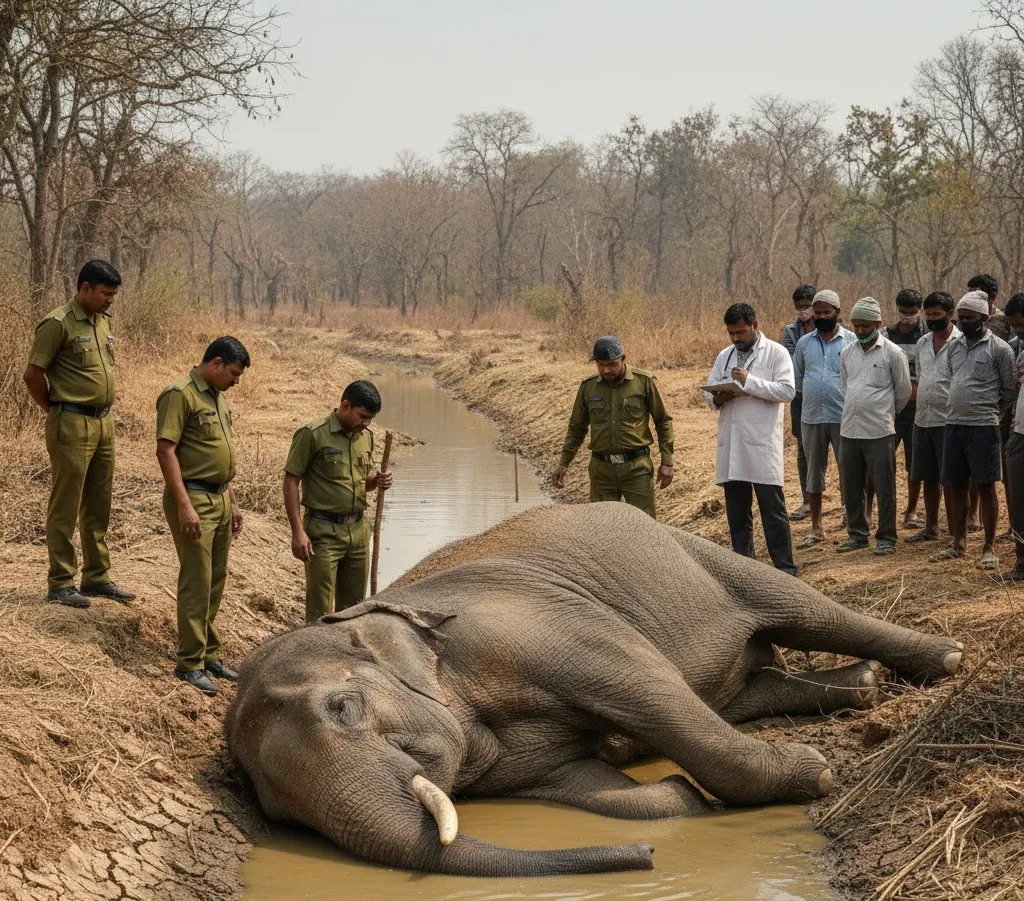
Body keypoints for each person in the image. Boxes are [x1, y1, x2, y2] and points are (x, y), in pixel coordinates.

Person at [22, 260, 136, 609]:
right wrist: (57, 411)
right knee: (66, 505)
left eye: (113, 295)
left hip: (103, 424)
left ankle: (96, 577)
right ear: (85, 288)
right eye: (105, 293)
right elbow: (32, 375)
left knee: (98, 504)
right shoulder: (57, 323)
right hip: (71, 423)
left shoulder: (101, 323)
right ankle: (60, 582)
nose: (109, 301)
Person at [156, 337, 250, 696]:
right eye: (234, 373)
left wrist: (234, 501)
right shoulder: (179, 394)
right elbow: (166, 451)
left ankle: (209, 653)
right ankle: (189, 663)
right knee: (196, 581)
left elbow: (219, 456)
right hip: (194, 498)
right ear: (216, 363)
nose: (236, 381)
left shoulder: (216, 395)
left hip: (220, 498)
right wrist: (183, 505)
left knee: (215, 580)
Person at [284, 380, 393, 623]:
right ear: (345, 405)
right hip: (323, 535)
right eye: (363, 416)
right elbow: (291, 481)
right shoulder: (312, 434)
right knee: (320, 613)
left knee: (354, 610)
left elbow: (360, 483)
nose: (366, 424)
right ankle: (317, 658)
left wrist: (378, 481)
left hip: (358, 533)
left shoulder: (365, 437)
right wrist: (297, 532)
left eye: (370, 419)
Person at [705, 303, 797, 574]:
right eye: (731, 333)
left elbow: (787, 390)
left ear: (755, 325)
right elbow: (709, 394)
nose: (736, 338)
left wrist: (749, 381)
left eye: (741, 332)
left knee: (772, 511)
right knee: (737, 513)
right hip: (732, 444)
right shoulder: (725, 355)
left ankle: (785, 569)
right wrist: (717, 397)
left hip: (761, 443)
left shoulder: (777, 353)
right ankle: (745, 569)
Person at [934, 291, 1015, 570]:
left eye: (970, 318)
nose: (964, 322)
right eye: (961, 317)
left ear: (985, 318)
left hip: (984, 427)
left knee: (985, 486)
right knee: (956, 485)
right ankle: (958, 543)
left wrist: (991, 413)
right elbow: (952, 379)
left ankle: (989, 547)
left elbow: (1008, 391)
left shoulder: (1000, 350)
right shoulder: (954, 348)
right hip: (954, 424)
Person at [553, 336, 674, 517]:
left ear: (623, 358)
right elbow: (577, 428)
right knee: (602, 529)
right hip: (601, 472)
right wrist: (564, 462)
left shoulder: (644, 382)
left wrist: (667, 461)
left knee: (644, 527)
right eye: (601, 365)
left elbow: (663, 421)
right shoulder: (588, 387)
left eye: (612, 364)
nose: (606, 370)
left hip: (637, 469)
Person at [838, 297, 912, 555]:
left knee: (884, 485)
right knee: (851, 484)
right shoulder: (847, 352)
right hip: (849, 429)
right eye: (856, 326)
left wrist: (884, 413)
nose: (859, 331)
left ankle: (887, 537)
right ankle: (857, 534)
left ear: (878, 324)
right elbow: (847, 387)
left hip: (880, 429)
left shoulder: (893, 353)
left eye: (865, 326)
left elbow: (903, 392)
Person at [792, 289, 856, 547]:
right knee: (813, 474)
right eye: (817, 313)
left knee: (848, 471)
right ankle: (816, 527)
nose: (820, 317)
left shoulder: (851, 341)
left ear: (837, 313)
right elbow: (797, 379)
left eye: (826, 313)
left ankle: (851, 522)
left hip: (843, 416)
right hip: (812, 416)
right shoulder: (804, 343)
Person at [907, 292, 959, 544]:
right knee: (928, 476)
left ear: (950, 314)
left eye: (936, 315)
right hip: (923, 418)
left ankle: (953, 532)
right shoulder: (923, 342)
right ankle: (931, 528)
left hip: (948, 420)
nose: (931, 319)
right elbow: (920, 376)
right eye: (928, 315)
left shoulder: (961, 343)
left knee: (949, 479)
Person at [884, 289, 925, 528]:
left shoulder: (927, 336)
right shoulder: (888, 335)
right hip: (893, 409)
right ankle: (879, 510)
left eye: (912, 313)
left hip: (919, 410)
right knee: (883, 461)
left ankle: (911, 511)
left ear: (918, 310)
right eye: (903, 312)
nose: (907, 317)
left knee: (915, 465)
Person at [779, 284, 817, 520]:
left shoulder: (837, 329)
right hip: (800, 396)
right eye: (799, 307)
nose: (803, 311)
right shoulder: (791, 331)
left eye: (807, 306)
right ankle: (807, 500)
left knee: (841, 451)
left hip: (830, 398)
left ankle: (846, 504)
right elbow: (789, 362)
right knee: (804, 450)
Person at [1001, 294, 1024, 582]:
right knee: (1018, 500)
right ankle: (1021, 562)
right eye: (1014, 326)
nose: (1019, 331)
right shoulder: (1017, 348)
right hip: (1019, 432)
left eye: (1021, 325)